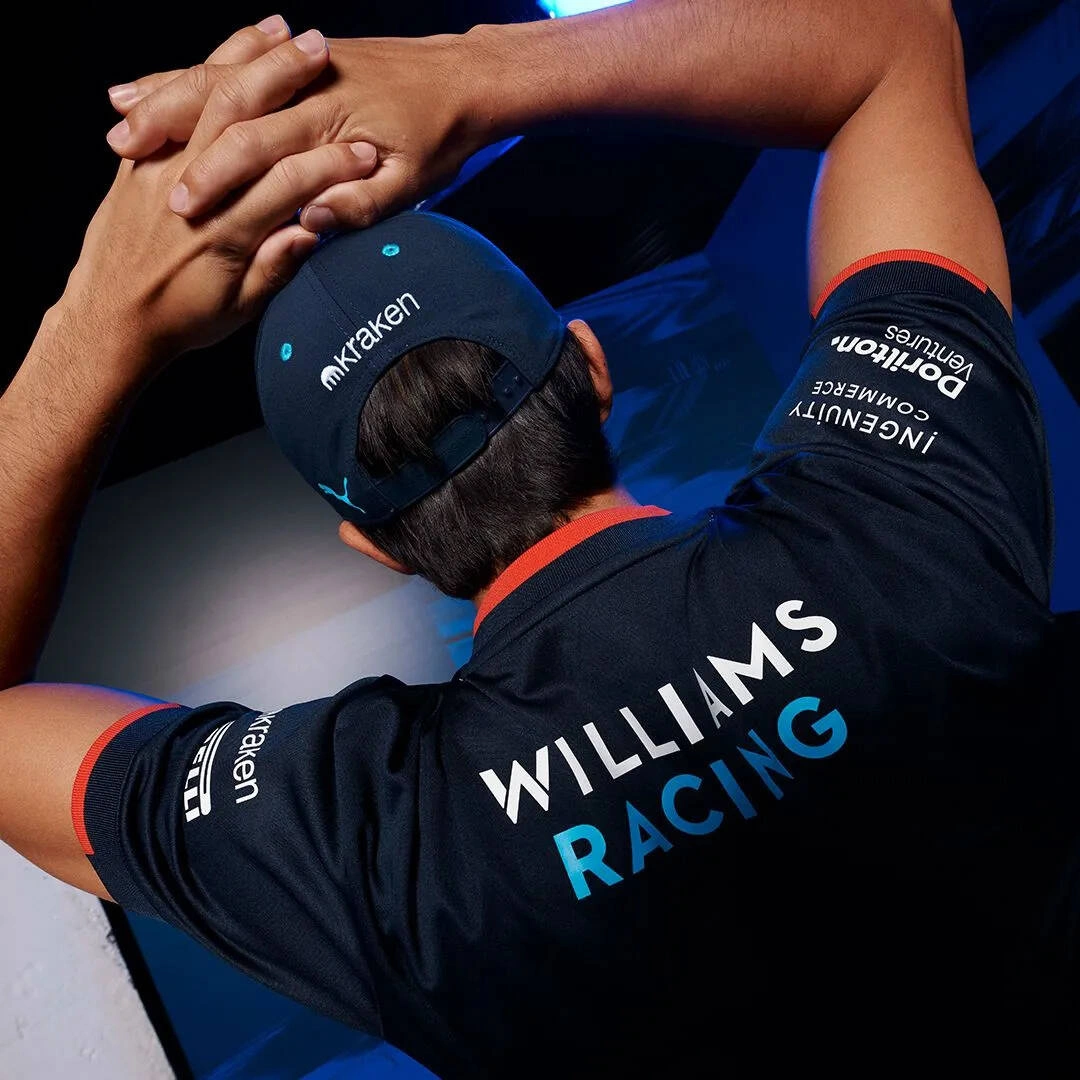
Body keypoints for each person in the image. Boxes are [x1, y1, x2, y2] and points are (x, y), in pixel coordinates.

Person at [1, 0, 1075, 1073]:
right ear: (594, 369)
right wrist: (479, 76)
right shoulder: (890, 519)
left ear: (372, 543)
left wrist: (100, 315)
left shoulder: (383, 855)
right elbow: (896, 44)